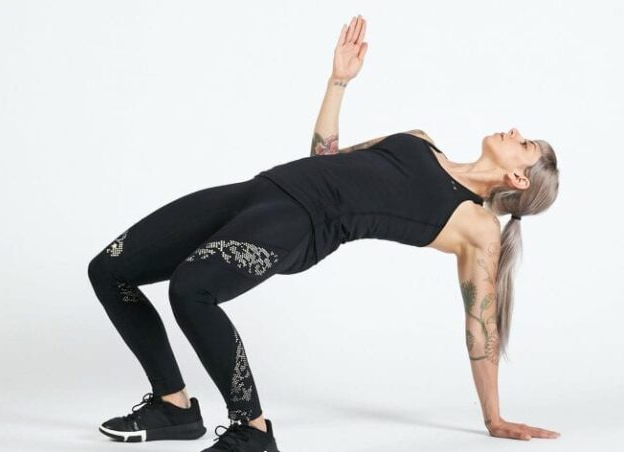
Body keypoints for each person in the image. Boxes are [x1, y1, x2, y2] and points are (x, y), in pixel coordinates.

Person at [87, 14, 561, 452]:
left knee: (192, 290)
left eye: (525, 144)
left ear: (518, 179)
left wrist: (494, 418)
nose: (515, 131)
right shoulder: (419, 141)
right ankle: (173, 406)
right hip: (260, 191)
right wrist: (339, 81)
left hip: (300, 224)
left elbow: (482, 326)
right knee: (109, 270)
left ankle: (252, 431)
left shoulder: (476, 225)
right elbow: (325, 160)